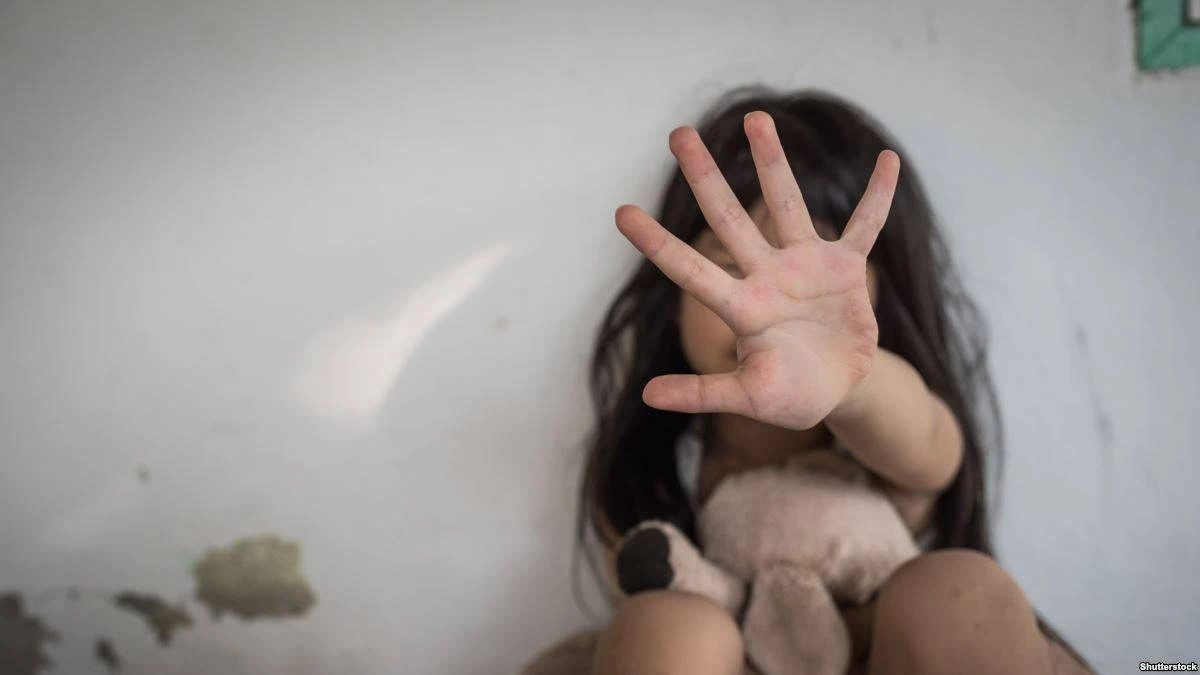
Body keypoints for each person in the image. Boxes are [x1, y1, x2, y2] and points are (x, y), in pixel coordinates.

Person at [523, 85, 1096, 675]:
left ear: (880, 300)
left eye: (808, 291)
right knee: (665, 625)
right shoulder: (653, 463)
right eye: (730, 268)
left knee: (961, 592)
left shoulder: (883, 433)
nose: (765, 312)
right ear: (672, 298)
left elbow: (933, 447)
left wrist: (852, 381)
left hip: (888, 654)